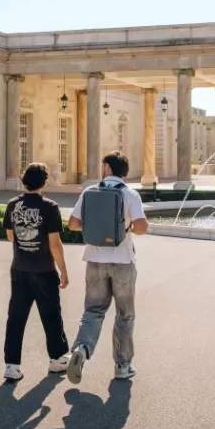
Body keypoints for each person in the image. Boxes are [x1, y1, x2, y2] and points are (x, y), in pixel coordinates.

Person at [66, 151, 148, 384]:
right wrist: (128, 228)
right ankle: (122, 366)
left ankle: (81, 349)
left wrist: (94, 225)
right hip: (122, 261)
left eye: (104, 166)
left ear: (108, 168)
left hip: (94, 260)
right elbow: (142, 227)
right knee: (125, 314)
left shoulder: (89, 192)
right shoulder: (130, 194)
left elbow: (73, 224)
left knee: (93, 310)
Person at [2, 162, 70, 381]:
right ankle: (57, 359)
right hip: (44, 269)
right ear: (44, 182)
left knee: (16, 317)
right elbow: (55, 244)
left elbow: (11, 235)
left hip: (19, 268)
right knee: (51, 315)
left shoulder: (13, 204)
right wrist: (63, 270)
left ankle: (11, 365)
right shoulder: (50, 207)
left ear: (24, 180)